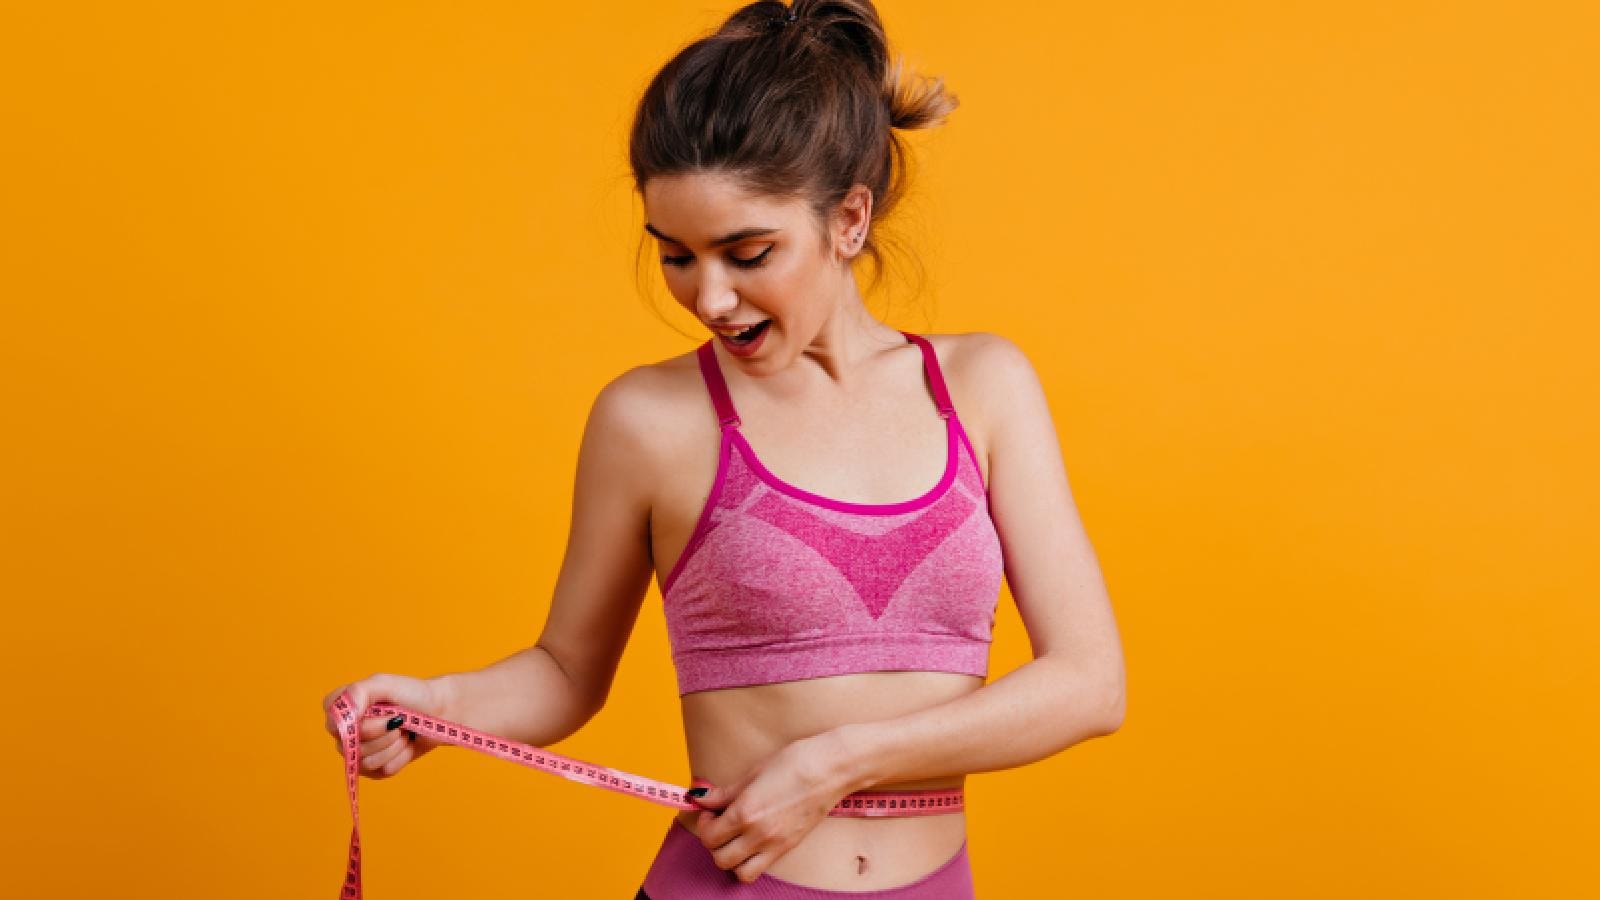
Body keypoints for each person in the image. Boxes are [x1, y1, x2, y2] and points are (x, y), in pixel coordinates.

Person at [322, 1, 1125, 896]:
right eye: (675, 256)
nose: (708, 298)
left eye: (747, 253)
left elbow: (1090, 684)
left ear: (849, 220)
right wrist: (440, 707)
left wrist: (838, 764)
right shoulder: (650, 420)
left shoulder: (981, 389)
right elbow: (566, 672)